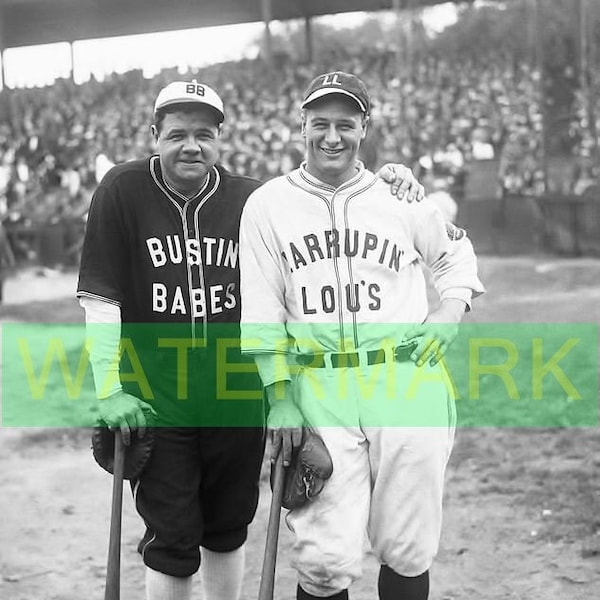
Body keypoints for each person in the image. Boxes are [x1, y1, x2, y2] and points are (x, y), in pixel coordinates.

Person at [77, 79, 425, 600]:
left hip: (236, 391)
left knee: (228, 523)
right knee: (171, 534)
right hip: (157, 394)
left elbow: (327, 195)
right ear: (154, 135)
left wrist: (391, 178)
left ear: (221, 138)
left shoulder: (253, 199)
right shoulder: (122, 190)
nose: (190, 146)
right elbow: (102, 298)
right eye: (176, 134)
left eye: (203, 134)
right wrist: (109, 388)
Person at [239, 71, 485, 600]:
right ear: (300, 125)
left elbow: (456, 257)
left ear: (364, 128)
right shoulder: (267, 205)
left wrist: (450, 314)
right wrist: (278, 398)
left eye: (345, 125)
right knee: (324, 558)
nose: (332, 137)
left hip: (405, 378)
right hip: (319, 385)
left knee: (407, 543)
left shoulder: (401, 196)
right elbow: (261, 312)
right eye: (320, 123)